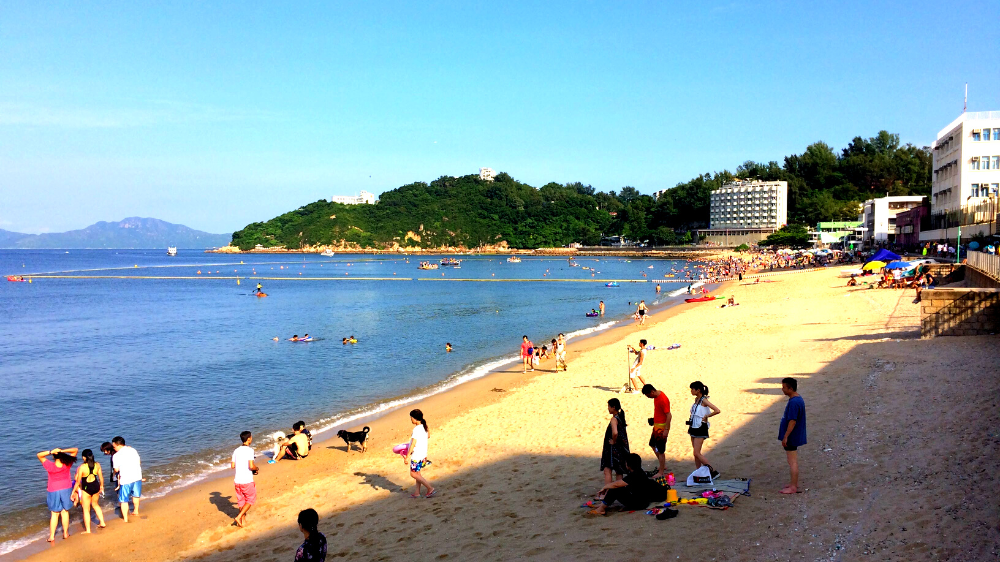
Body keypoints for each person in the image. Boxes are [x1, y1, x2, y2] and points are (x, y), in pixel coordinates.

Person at [589, 453, 662, 515]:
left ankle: (601, 509)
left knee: (615, 489)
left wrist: (605, 487)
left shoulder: (634, 475)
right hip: (643, 501)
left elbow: (616, 485)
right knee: (618, 488)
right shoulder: (640, 471)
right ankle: (602, 505)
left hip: (639, 504)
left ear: (629, 465)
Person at [37, 447, 78, 541]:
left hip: (53, 490)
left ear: (54, 457)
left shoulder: (50, 466)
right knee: (65, 512)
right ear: (62, 455)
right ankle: (66, 533)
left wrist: (51, 451)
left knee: (54, 514)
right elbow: (75, 450)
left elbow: (39, 455)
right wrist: (62, 451)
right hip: (66, 489)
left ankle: (51, 536)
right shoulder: (67, 464)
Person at [779, 377, 807, 494]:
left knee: (792, 461)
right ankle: (793, 484)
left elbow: (792, 421)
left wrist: (786, 436)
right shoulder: (797, 399)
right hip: (794, 435)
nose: (782, 390)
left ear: (790, 388)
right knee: (792, 461)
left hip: (792, 436)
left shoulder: (794, 402)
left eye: (784, 387)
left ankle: (793, 487)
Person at [687, 381, 721, 479]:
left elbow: (717, 410)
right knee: (695, 453)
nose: (691, 391)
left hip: (700, 427)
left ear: (698, 390)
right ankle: (698, 471)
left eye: (692, 389)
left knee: (696, 453)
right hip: (693, 426)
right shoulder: (696, 399)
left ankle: (713, 471)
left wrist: (707, 416)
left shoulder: (704, 400)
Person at [70, 449, 107, 533]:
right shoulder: (97, 464)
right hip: (96, 486)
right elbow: (101, 477)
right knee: (95, 505)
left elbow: (77, 481)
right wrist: (101, 486)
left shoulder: (82, 467)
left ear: (84, 457)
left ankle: (88, 530)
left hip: (86, 488)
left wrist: (73, 492)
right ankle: (102, 522)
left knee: (86, 509)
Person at [599, 398, 630, 498]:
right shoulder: (620, 417)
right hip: (620, 448)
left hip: (613, 448)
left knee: (607, 470)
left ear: (613, 407)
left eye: (609, 406)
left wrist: (613, 441)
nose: (608, 408)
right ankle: (617, 493)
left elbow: (615, 433)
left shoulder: (614, 419)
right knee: (619, 470)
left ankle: (607, 493)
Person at [641, 384, 671, 478]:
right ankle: (662, 465)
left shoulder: (663, 399)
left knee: (661, 450)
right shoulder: (656, 397)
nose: (649, 397)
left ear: (652, 392)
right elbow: (660, 412)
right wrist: (654, 419)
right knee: (652, 445)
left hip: (661, 428)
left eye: (648, 395)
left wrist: (666, 430)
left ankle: (661, 471)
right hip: (656, 426)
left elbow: (669, 415)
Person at [405, 409, 435, 498]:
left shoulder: (416, 429)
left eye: (411, 418)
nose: (411, 420)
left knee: (413, 474)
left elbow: (413, 444)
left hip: (417, 455)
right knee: (417, 473)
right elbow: (428, 436)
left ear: (415, 418)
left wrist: (406, 456)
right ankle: (417, 493)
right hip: (423, 454)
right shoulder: (424, 426)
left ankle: (430, 488)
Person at [111, 436, 142, 522]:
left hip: (126, 479)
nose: (114, 448)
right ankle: (136, 511)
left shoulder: (116, 456)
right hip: (137, 476)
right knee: (136, 495)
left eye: (114, 447)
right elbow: (139, 462)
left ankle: (125, 518)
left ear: (118, 445)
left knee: (124, 499)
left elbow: (116, 469)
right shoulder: (133, 450)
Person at [231, 431, 258, 527]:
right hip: (246, 480)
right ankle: (239, 516)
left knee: (241, 500)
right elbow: (251, 466)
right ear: (249, 439)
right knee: (251, 499)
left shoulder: (236, 451)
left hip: (237, 480)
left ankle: (242, 520)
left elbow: (232, 465)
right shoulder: (250, 450)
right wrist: (257, 468)